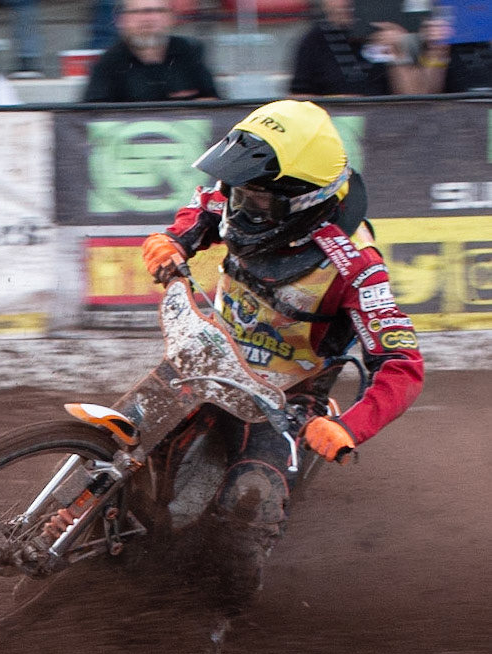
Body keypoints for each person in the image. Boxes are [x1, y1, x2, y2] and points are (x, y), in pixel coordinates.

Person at [140, 99, 423, 602]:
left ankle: (219, 617)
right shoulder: (237, 193)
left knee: (251, 503)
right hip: (210, 356)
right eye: (239, 190)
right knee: (128, 439)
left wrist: (347, 427)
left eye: (256, 199)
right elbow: (202, 210)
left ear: (302, 199)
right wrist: (173, 241)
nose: (240, 204)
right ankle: (68, 515)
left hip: (287, 399)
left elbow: (401, 366)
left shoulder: (357, 263)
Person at [82, 0, 217, 103]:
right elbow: (93, 118)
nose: (147, 19)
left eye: (156, 11)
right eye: (137, 12)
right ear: (121, 20)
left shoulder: (188, 52)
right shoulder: (108, 63)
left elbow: (216, 107)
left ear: (171, 17)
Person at [288, 0, 425, 96]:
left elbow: (416, 99)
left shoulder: (392, 32)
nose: (347, 3)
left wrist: (399, 55)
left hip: (390, 127)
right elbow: (298, 100)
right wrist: (337, 104)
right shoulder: (313, 41)